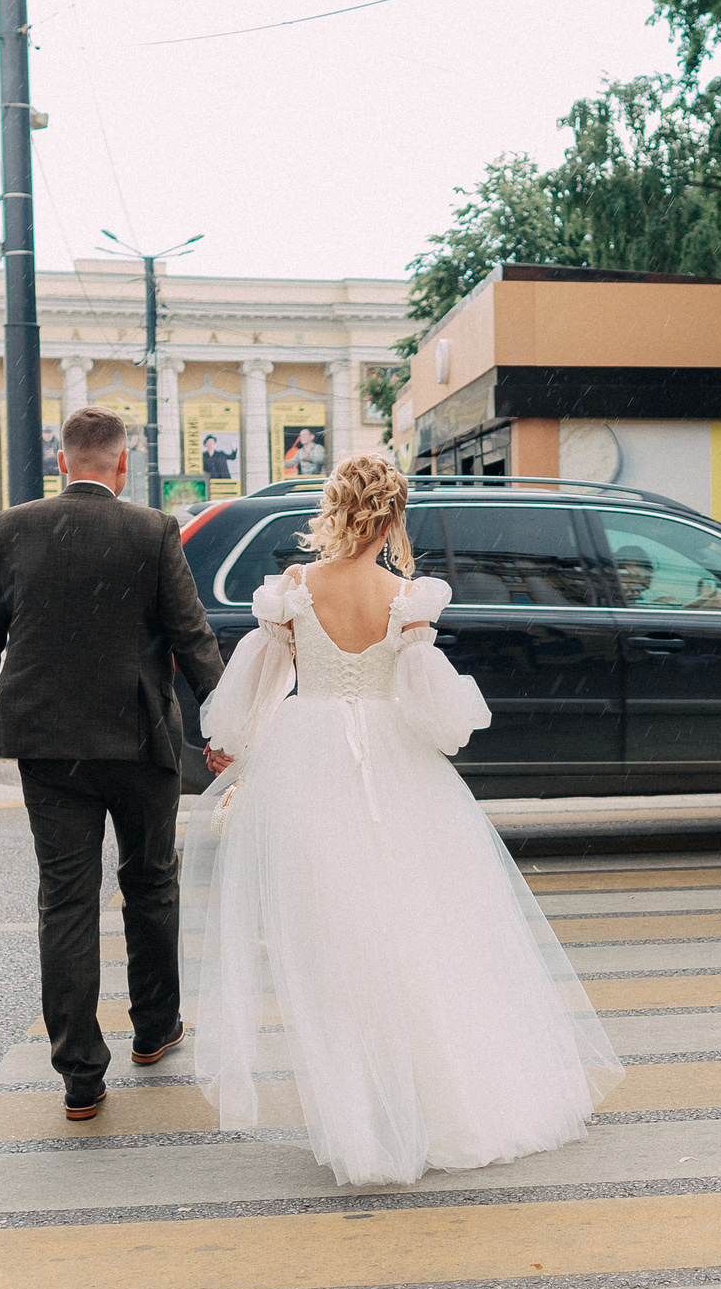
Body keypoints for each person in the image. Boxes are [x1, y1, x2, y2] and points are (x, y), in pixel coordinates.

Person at [189, 455, 624, 1186]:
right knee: (417, 929)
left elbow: (258, 685)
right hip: (394, 764)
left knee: (330, 943)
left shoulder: (292, 590)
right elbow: (437, 711)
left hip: (307, 762)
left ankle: (361, 1112)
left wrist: (230, 744)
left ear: (334, 509)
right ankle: (432, 1098)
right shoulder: (406, 596)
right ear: (392, 515)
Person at [0, 405, 227, 1123]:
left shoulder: (12, 528)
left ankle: (81, 1075)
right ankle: (152, 1027)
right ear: (121, 465)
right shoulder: (151, 529)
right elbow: (191, 634)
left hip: (48, 745)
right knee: (149, 883)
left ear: (61, 463)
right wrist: (226, 720)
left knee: (66, 902)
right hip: (140, 742)